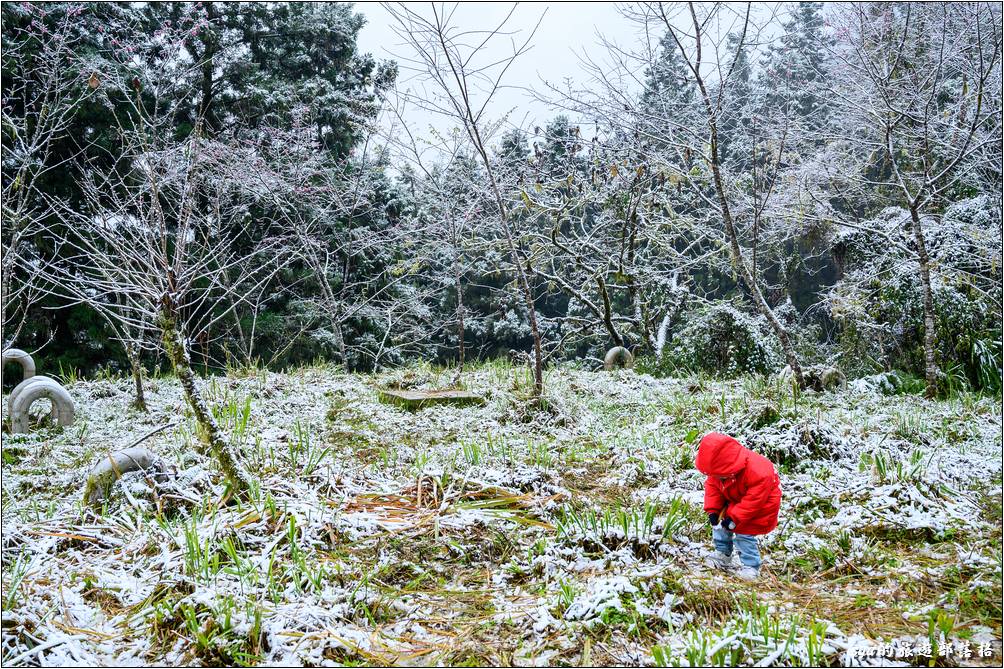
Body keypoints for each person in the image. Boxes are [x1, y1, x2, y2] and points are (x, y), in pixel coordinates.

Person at [695, 432, 782, 580]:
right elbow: (713, 487)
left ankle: (750, 567)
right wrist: (713, 510)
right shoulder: (719, 471)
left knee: (744, 533)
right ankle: (723, 554)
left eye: (719, 476)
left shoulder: (759, 472)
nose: (715, 478)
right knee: (720, 526)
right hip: (735, 496)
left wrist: (734, 518)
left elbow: (753, 501)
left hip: (761, 505)